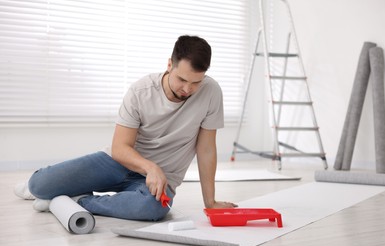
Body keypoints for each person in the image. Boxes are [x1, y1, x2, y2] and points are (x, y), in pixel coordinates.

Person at [14, 35, 237, 221]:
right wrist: (150, 167)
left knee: (152, 209)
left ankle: (78, 201)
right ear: (169, 64)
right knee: (39, 185)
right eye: (181, 79)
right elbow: (120, 148)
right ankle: (50, 190)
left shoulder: (211, 92)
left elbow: (206, 149)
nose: (187, 88)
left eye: (196, 82)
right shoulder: (140, 92)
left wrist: (211, 202)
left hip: (159, 180)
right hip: (117, 163)